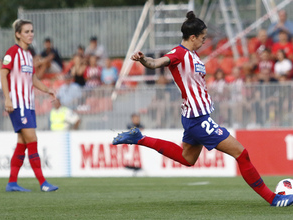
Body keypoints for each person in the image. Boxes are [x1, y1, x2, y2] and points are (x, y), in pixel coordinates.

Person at [112, 11, 293, 207]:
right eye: (202, 38)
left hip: (195, 116)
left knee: (187, 158)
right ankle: (273, 199)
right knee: (242, 154)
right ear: (193, 37)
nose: (204, 41)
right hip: (197, 119)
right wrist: (143, 59)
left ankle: (139, 138)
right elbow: (157, 62)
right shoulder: (179, 53)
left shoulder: (193, 55)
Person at [0, 19, 58, 192]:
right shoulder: (13, 51)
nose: (30, 34)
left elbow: (32, 78)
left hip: (29, 105)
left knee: (22, 143)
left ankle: (12, 183)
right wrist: (7, 98)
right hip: (17, 104)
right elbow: (3, 74)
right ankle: (43, 183)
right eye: (26, 31)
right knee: (32, 140)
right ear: (18, 34)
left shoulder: (28, 55)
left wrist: (47, 90)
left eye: (31, 31)